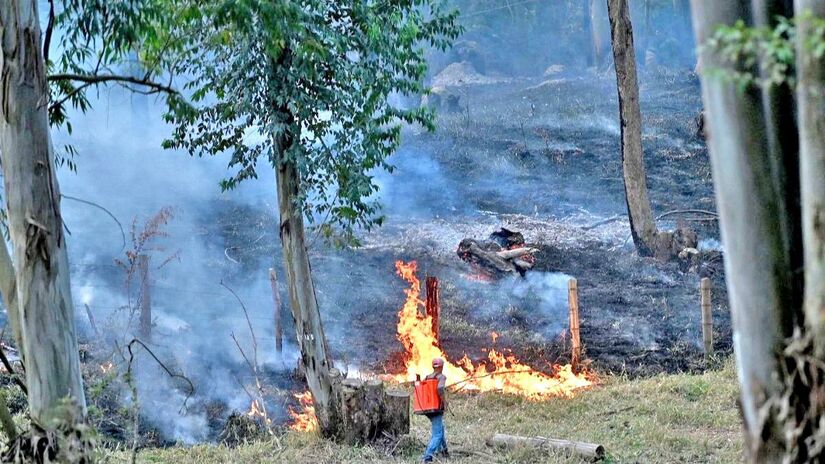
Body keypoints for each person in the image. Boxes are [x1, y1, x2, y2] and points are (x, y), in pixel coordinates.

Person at [422, 357, 448, 462]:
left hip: (427, 408)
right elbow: (440, 388)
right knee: (437, 434)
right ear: (442, 367)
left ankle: (444, 451)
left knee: (440, 428)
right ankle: (427, 457)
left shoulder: (427, 377)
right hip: (436, 408)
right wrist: (444, 402)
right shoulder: (441, 377)